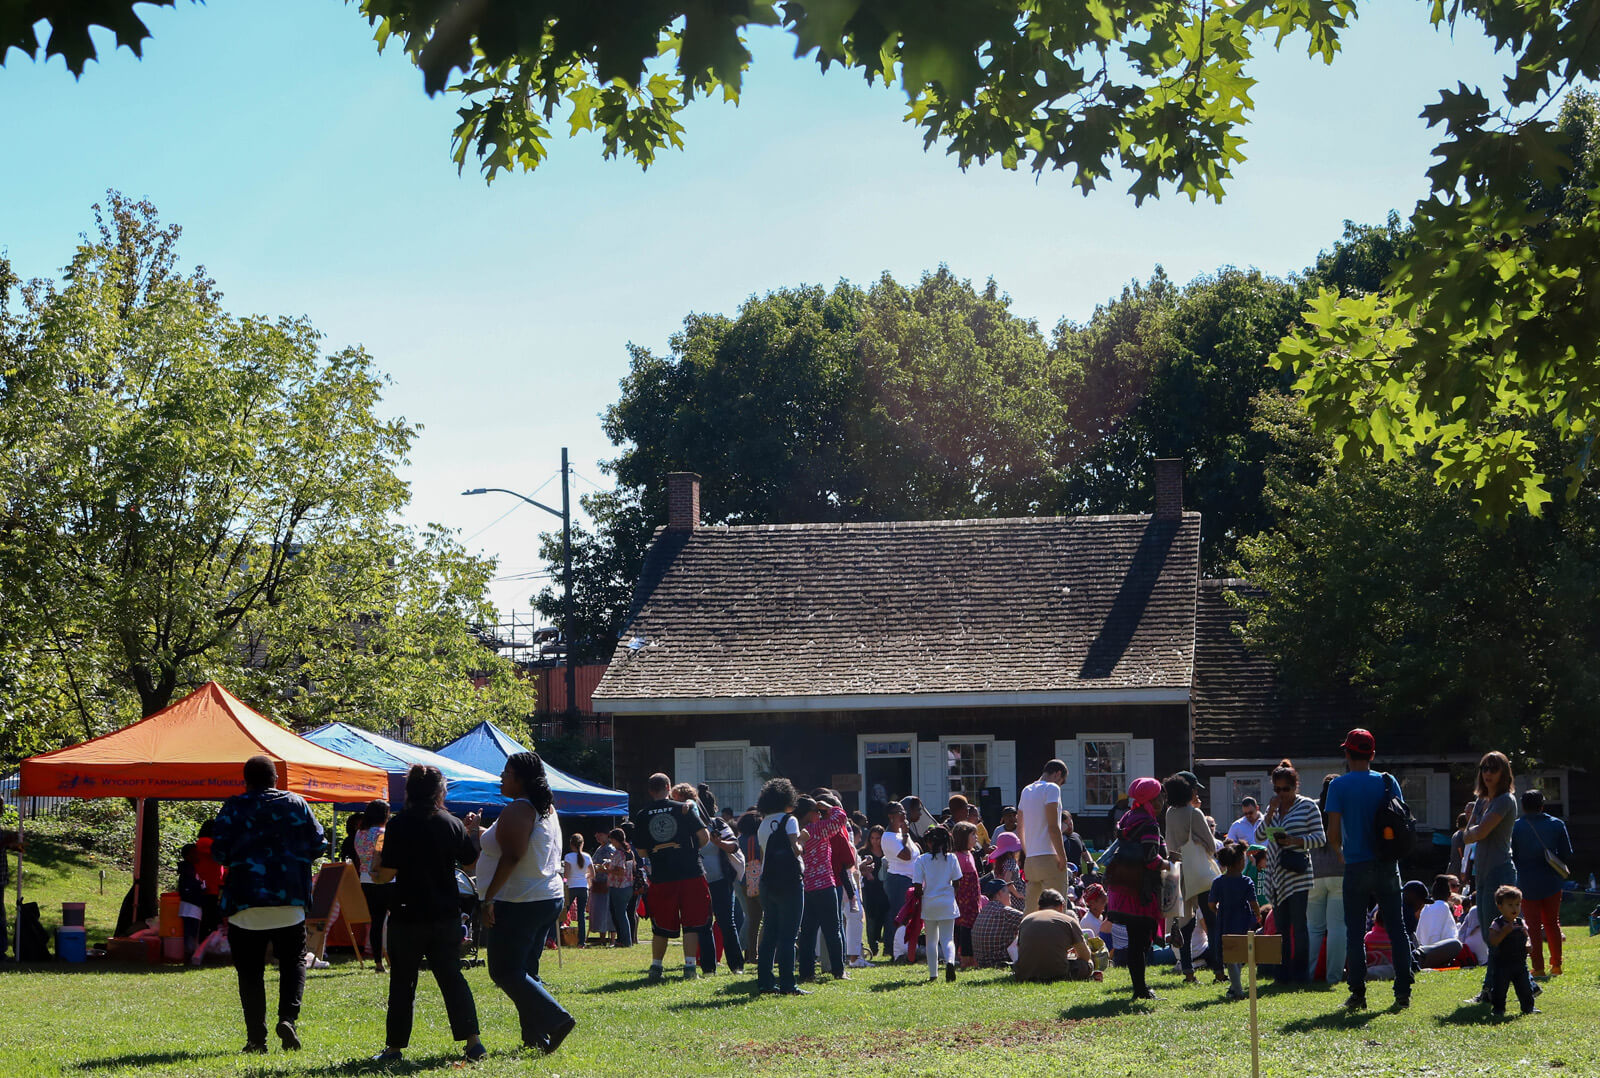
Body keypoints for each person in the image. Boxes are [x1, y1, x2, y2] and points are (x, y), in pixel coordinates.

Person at [369, 765, 485, 1064]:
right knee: (452, 978)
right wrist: (469, 831)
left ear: (410, 790)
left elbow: (385, 875)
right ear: (439, 791)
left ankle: (394, 1048)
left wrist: (376, 864)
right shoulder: (452, 823)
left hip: (407, 912)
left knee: (403, 982)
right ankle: (473, 1043)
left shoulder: (398, 824)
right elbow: (471, 865)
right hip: (445, 913)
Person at [211, 755, 325, 1054]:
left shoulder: (234, 807)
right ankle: (288, 1018)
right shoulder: (297, 804)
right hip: (290, 901)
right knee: (293, 963)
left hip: (244, 903)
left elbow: (218, 851)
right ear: (277, 779)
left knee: (250, 973)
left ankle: (256, 1040)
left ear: (245, 780)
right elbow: (319, 843)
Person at [473, 751, 576, 1055]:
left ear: (520, 779)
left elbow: (514, 855)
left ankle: (556, 1020)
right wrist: (478, 831)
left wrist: (488, 897)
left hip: (521, 900)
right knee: (526, 971)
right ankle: (535, 1036)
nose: (501, 778)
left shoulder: (519, 809)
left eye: (506, 773)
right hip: (544, 897)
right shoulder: (544, 809)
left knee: (504, 971)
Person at [1324, 728, 1414, 1010]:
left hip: (1356, 864)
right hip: (1387, 863)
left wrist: (1341, 853)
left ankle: (1358, 993)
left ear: (1347, 753)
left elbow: (1333, 834)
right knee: (1398, 929)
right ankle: (1402, 992)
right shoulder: (1388, 781)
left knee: (1354, 930)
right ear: (1372, 754)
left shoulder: (1338, 786)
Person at [632, 772, 711, 980]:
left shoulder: (642, 815)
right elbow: (704, 837)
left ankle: (656, 966)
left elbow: (640, 852)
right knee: (691, 922)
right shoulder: (684, 808)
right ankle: (690, 968)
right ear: (669, 787)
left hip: (661, 875)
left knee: (661, 924)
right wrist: (689, 850)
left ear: (650, 791)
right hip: (691, 871)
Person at [1258, 759, 1325, 983]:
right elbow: (1258, 836)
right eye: (1277, 789)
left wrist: (1294, 840)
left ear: (1295, 786)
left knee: (1299, 926)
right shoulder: (1273, 807)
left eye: (1285, 789)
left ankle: (1300, 974)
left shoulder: (1307, 806)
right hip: (1276, 874)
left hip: (1297, 874)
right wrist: (1269, 814)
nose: (1281, 793)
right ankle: (1282, 974)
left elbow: (1319, 839)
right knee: (1281, 929)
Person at [1106, 776, 1171, 1001]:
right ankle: (1141, 990)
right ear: (1151, 800)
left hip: (1121, 887)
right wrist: (1170, 864)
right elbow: (1151, 859)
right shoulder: (1150, 823)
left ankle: (1140, 988)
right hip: (1140, 890)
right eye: (1160, 796)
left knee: (1135, 940)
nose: (1163, 800)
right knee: (1140, 942)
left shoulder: (1128, 817)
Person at [1460, 751, 1517, 1005]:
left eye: (1493, 769)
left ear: (1504, 773)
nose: (1487, 774)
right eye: (1484, 768)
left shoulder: (1505, 801)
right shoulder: (1483, 801)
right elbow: (1465, 835)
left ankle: (1493, 989)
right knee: (1488, 935)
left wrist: (1471, 832)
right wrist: (1471, 831)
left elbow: (1478, 833)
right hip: (1481, 873)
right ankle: (1499, 986)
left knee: (1498, 934)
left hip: (1500, 872)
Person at [1164, 773, 1223, 984]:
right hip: (1198, 873)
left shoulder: (1169, 813)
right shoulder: (1195, 813)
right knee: (1212, 921)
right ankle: (1219, 971)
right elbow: (1211, 844)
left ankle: (1188, 971)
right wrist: (1197, 839)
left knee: (1184, 925)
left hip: (1177, 871)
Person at [1511, 788, 1572, 977]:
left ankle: (1538, 967)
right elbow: (1567, 854)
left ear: (1522, 806)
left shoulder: (1516, 827)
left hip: (1526, 882)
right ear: (1542, 805)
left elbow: (1512, 855)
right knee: (1553, 923)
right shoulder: (1557, 824)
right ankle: (1557, 965)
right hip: (1552, 881)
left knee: (1533, 926)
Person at [754, 778, 806, 995]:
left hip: (767, 882)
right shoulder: (790, 820)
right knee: (788, 936)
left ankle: (765, 982)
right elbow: (796, 850)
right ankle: (788, 984)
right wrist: (803, 838)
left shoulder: (763, 823)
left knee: (769, 934)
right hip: (790, 882)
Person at [692, 785, 744, 974]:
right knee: (704, 924)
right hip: (700, 882)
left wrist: (719, 842)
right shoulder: (689, 828)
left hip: (721, 881)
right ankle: (708, 967)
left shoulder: (718, 824)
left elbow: (734, 847)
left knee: (726, 923)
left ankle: (736, 965)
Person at [797, 793, 848, 982]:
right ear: (811, 814)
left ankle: (806, 973)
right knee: (833, 930)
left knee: (808, 932)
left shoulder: (797, 831)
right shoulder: (816, 828)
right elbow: (841, 817)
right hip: (825, 884)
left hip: (806, 887)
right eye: (817, 812)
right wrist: (828, 806)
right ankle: (838, 971)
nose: (820, 814)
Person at [1304, 775, 1347, 985]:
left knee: (1314, 928)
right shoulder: (1344, 808)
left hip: (1314, 873)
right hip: (1340, 872)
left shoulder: (1312, 808)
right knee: (1338, 927)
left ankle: (1309, 974)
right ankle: (1334, 976)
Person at [1208, 843, 1261, 1000]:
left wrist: (1218, 912)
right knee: (1240, 955)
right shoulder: (1246, 881)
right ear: (1239, 863)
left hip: (1225, 922)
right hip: (1243, 922)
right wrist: (1258, 915)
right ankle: (1237, 990)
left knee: (1231, 956)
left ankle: (1234, 988)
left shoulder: (1218, 882)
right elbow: (1253, 903)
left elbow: (1211, 904)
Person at [911, 824, 963, 982]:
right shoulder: (952, 858)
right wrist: (951, 895)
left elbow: (917, 886)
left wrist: (921, 897)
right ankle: (950, 962)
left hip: (930, 903)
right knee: (948, 939)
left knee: (931, 940)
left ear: (929, 842)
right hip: (947, 902)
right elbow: (957, 881)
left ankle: (933, 975)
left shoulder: (922, 860)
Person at [1012, 888, 1099, 982]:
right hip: (1057, 972)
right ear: (1062, 906)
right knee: (1088, 964)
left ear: (1039, 907)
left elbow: (1021, 948)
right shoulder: (1068, 921)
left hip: (1026, 972)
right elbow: (1085, 956)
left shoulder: (1026, 920)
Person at [1018, 759, 1069, 913]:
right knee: (1057, 910)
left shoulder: (1026, 790)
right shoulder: (1052, 788)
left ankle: (1026, 937)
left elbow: (1020, 827)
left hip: (1032, 860)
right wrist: (1063, 857)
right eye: (1062, 782)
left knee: (1031, 911)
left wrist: (1028, 853)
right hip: (1050, 857)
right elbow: (1053, 827)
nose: (1060, 786)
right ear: (1058, 774)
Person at [1486, 885, 1539, 1017]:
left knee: (1525, 987)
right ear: (1500, 906)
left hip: (1520, 963)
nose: (1514, 908)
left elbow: (1527, 937)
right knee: (1499, 988)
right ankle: (1498, 1009)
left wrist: (1529, 944)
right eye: (1510, 905)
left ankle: (1528, 1007)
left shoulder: (1521, 923)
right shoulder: (1497, 924)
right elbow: (1493, 941)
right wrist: (1503, 932)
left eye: (1517, 904)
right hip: (1503, 963)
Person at [354, 799, 393, 973]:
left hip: (364, 878)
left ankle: (378, 962)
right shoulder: (382, 833)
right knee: (393, 920)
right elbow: (384, 856)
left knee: (376, 921)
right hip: (384, 879)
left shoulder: (359, 833)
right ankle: (393, 956)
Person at [880, 801, 920, 935]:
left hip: (909, 879)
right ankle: (894, 949)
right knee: (899, 916)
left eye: (904, 812)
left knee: (908, 917)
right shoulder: (889, 837)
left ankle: (904, 947)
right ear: (891, 816)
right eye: (900, 812)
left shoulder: (901, 834)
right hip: (899, 880)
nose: (904, 815)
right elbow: (906, 855)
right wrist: (905, 834)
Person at [972, 876, 1024, 968]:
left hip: (981, 962)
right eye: (1008, 892)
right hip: (999, 961)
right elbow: (1031, 920)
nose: (1010, 895)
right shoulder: (1005, 911)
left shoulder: (984, 910)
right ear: (1000, 893)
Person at [1412, 876, 1463, 969]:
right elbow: (1435, 935)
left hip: (1423, 950)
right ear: (1448, 894)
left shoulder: (1427, 907)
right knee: (1457, 944)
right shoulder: (1443, 906)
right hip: (1433, 953)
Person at [950, 821, 982, 968]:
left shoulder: (969, 854)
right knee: (964, 929)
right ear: (963, 837)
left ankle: (972, 956)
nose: (976, 837)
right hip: (963, 901)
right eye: (973, 835)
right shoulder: (957, 857)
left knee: (971, 928)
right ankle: (965, 957)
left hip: (973, 900)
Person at [735, 812, 763, 959]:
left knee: (752, 919)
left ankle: (751, 953)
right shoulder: (760, 839)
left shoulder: (739, 840)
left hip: (744, 882)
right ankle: (765, 950)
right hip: (761, 882)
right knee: (768, 918)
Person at [859, 825, 888, 959]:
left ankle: (884, 943)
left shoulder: (887, 852)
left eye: (878, 838)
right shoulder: (863, 853)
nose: (875, 841)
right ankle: (873, 946)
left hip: (884, 888)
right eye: (872, 838)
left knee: (884, 916)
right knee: (871, 918)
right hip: (869, 889)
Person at [604, 827, 635, 948]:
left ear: (616, 840)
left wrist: (606, 869)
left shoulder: (618, 853)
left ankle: (625, 941)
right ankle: (624, 940)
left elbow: (620, 871)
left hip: (618, 887)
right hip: (628, 887)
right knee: (622, 914)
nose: (611, 843)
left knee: (620, 915)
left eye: (611, 840)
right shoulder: (629, 851)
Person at [561, 833, 593, 948]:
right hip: (583, 886)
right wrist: (584, 875)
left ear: (571, 844)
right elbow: (592, 874)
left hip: (571, 886)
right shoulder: (587, 856)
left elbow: (566, 874)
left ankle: (554, 937)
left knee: (564, 912)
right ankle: (581, 942)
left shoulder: (568, 857)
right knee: (581, 915)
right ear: (582, 844)